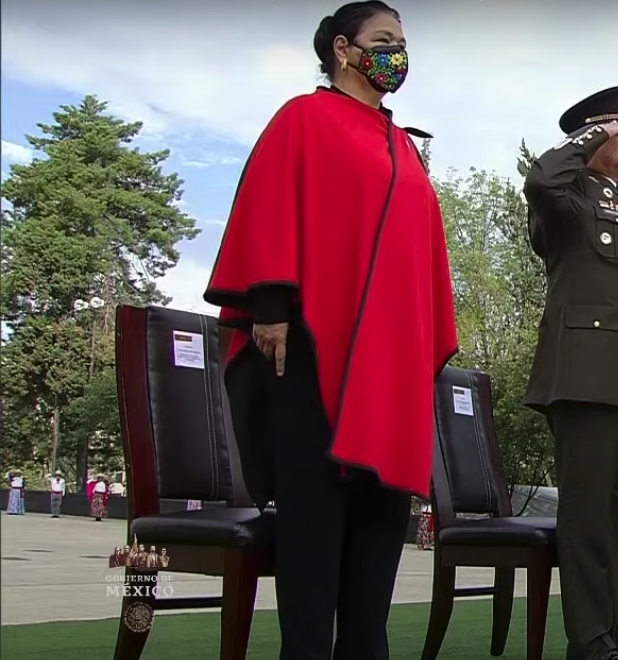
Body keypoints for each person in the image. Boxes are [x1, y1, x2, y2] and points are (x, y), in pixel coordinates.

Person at [202, 3, 458, 658]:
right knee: (315, 523)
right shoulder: (304, 118)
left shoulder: (402, 144)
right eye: (383, 41)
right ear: (344, 50)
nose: (397, 54)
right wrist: (269, 305)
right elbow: (268, 200)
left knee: (380, 519)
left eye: (402, 43)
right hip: (310, 349)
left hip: (390, 366)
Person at [521, 85, 618, 660]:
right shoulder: (570, 195)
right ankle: (587, 639)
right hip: (583, 378)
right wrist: (589, 136)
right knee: (585, 518)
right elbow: (539, 180)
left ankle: (611, 630)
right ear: (592, 136)